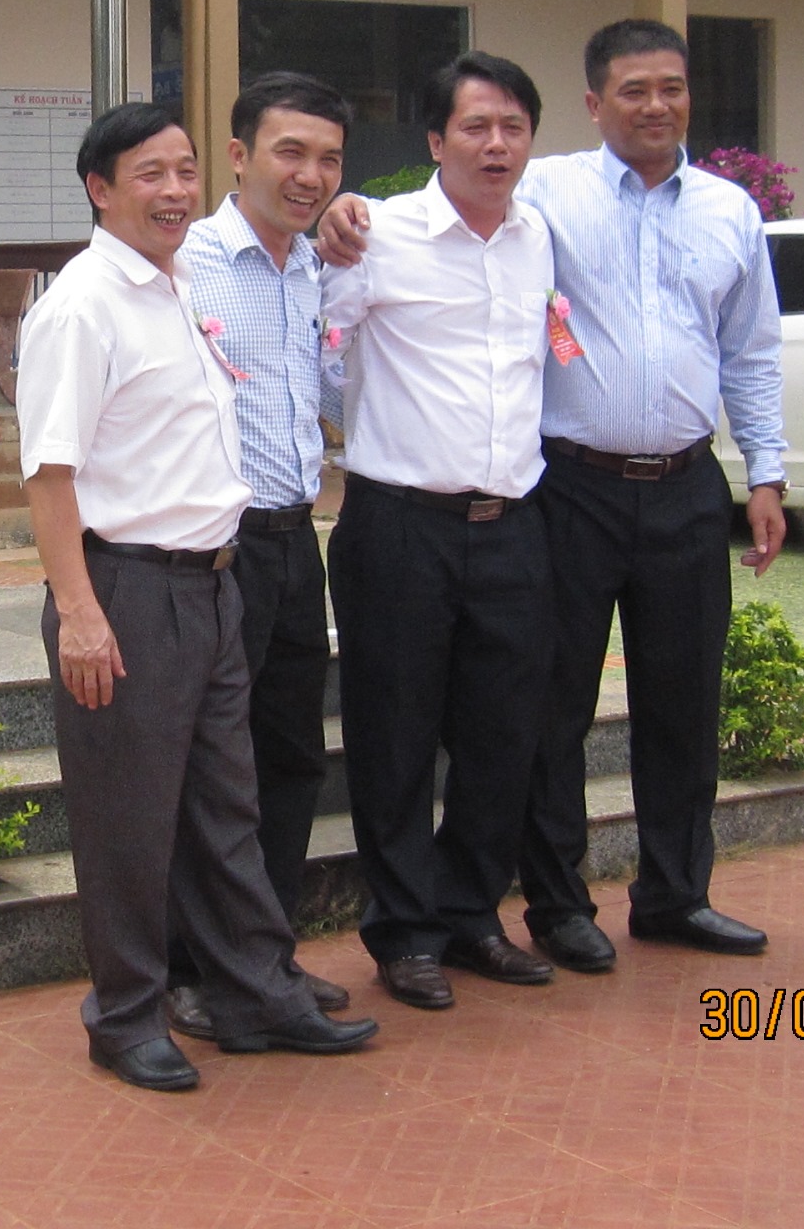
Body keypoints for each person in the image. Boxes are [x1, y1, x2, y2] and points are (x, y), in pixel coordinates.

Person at [319, 19, 788, 972]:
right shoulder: (523, 199)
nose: (654, 106)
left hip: (671, 488)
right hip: (557, 491)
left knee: (659, 707)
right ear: (594, 103)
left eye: (671, 88)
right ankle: (544, 906)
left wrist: (766, 472)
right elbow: (342, 320)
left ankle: (669, 895)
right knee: (533, 716)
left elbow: (753, 351)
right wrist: (341, 213)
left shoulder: (713, 213)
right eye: (633, 90)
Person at [16, 101, 378, 1092]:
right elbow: (49, 475)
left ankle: (256, 992)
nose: (175, 191)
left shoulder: (176, 286)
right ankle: (125, 1016)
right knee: (128, 824)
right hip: (128, 591)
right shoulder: (82, 306)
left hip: (212, 586)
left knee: (227, 808)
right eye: (151, 175)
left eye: (184, 172)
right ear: (100, 190)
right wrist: (79, 613)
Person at [319, 53, 560, 1012]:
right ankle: (404, 932)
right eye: (475, 127)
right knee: (395, 736)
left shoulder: (540, 237)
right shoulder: (377, 236)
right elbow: (316, 343)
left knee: (504, 735)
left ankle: (470, 916)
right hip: (400, 526)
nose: (496, 145)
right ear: (435, 140)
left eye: (513, 127)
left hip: (514, 526)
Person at [166, 72, 357, 1041]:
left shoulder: (317, 268)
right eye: (290, 152)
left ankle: (265, 953)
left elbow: (332, 390)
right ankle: (192, 970)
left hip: (292, 542)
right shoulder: (185, 264)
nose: (309, 175)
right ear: (238, 156)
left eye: (327, 159)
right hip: (212, 552)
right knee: (211, 768)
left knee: (288, 759)